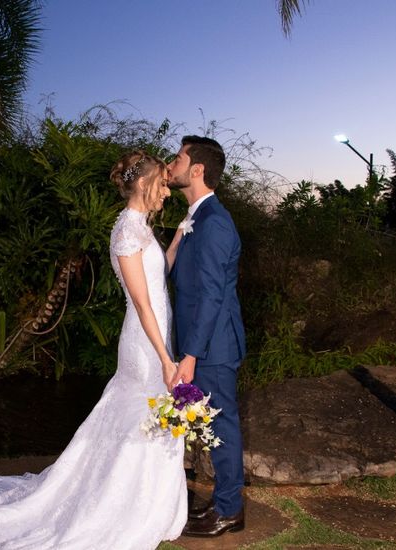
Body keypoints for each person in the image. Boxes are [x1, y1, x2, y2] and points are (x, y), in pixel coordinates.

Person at [0, 150, 186, 549]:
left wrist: (178, 238)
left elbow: (158, 277)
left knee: (143, 416)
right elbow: (143, 304)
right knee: (138, 414)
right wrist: (164, 358)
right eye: (162, 183)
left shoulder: (142, 227)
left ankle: (148, 501)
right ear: (144, 184)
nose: (166, 191)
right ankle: (119, 505)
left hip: (160, 334)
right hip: (146, 342)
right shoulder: (127, 231)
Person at [166, 135, 247, 537]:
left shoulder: (214, 222)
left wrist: (191, 354)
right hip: (200, 344)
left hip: (212, 346)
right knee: (209, 428)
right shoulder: (196, 218)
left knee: (222, 427)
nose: (172, 163)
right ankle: (220, 503)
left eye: (178, 158)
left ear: (197, 169)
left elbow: (212, 296)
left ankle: (230, 510)